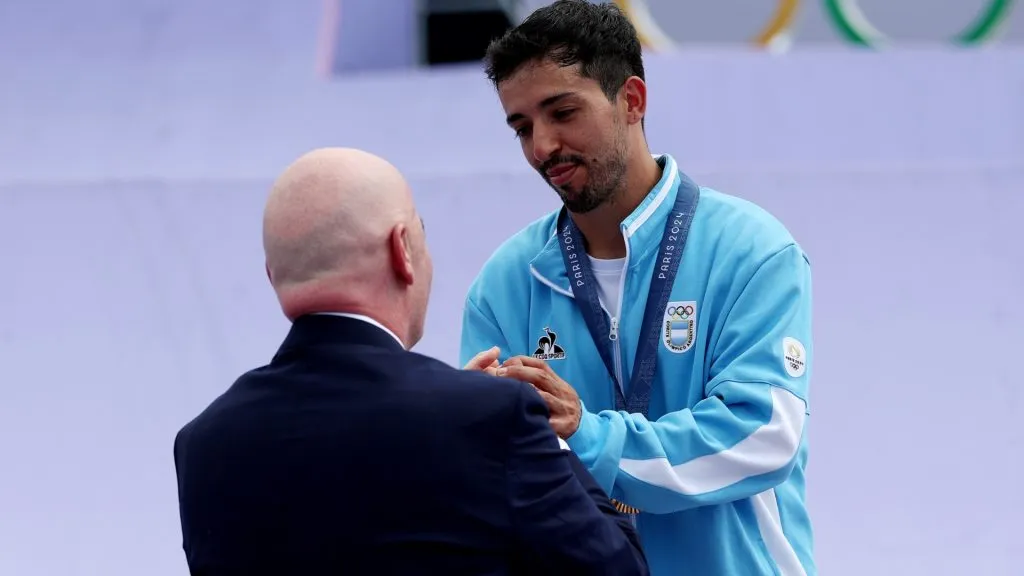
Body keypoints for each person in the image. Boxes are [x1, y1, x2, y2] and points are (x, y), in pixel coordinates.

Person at [172, 147, 650, 576]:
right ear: (402, 249)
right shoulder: (492, 421)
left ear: (273, 278)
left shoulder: (203, 446)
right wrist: (536, 430)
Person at [459, 2, 815, 575]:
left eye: (562, 111)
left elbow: (763, 435)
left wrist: (590, 437)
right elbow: (496, 490)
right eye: (522, 126)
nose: (541, 147)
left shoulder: (750, 250)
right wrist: (467, 433)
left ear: (632, 100)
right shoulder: (505, 284)